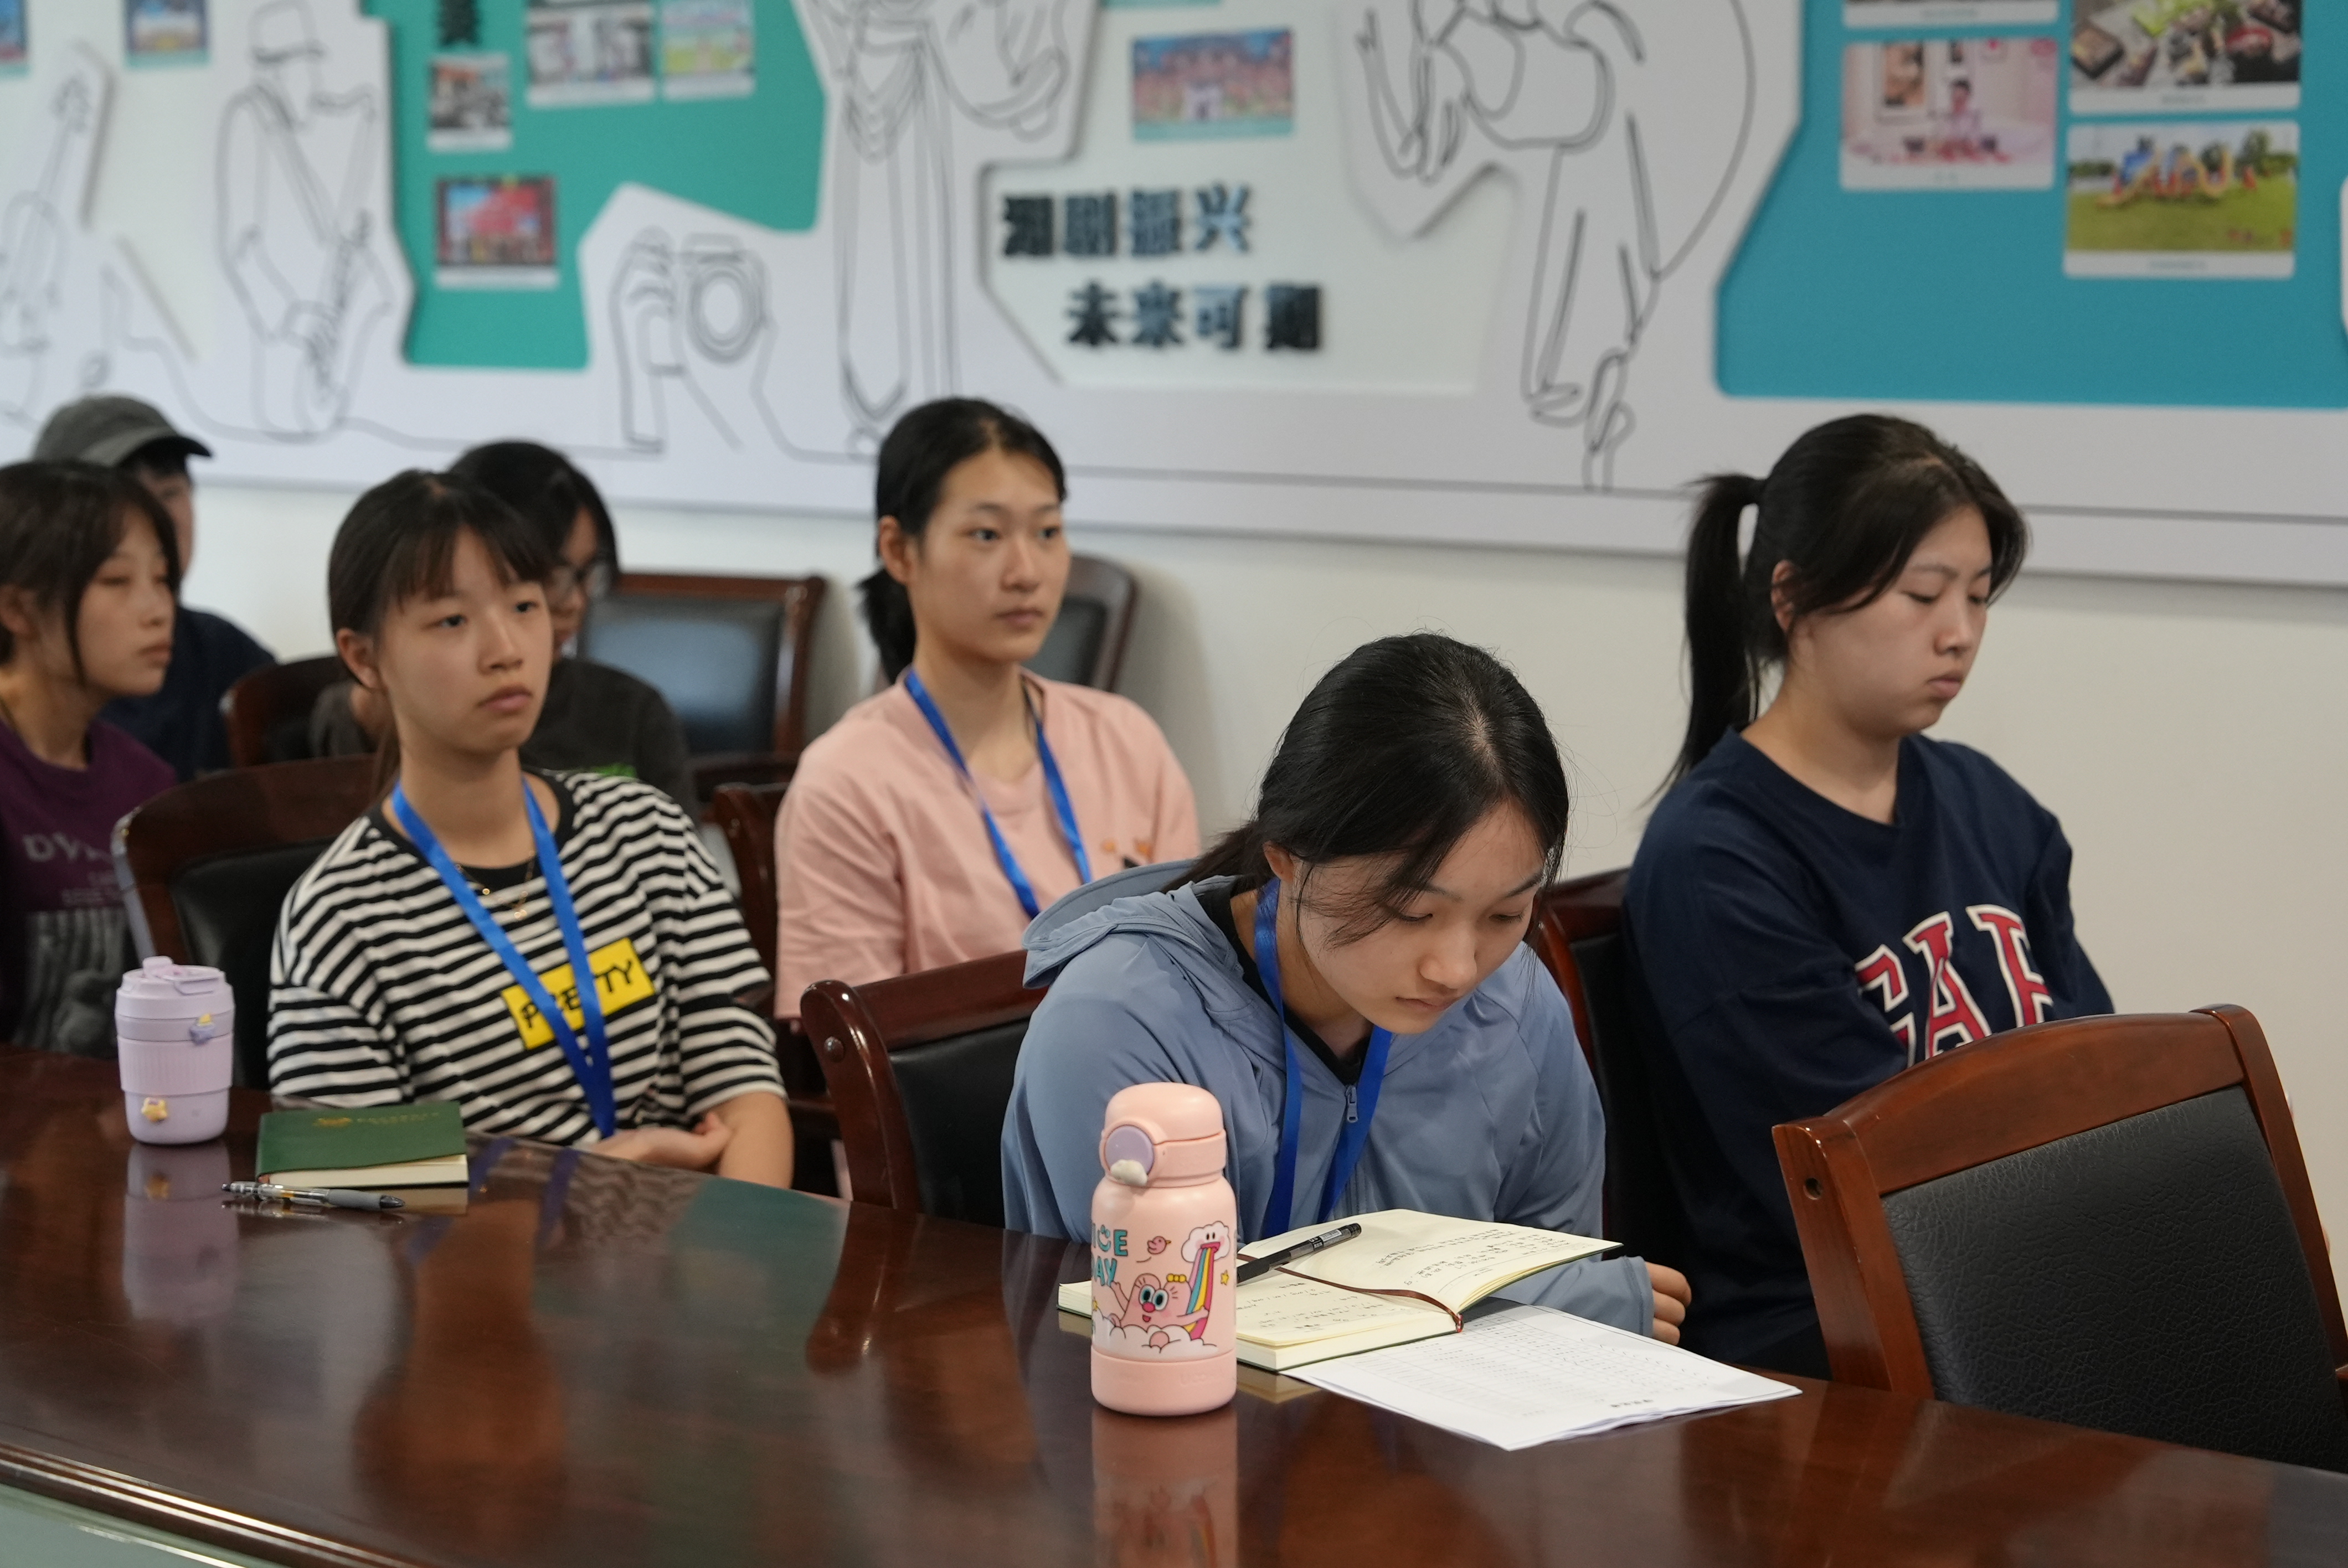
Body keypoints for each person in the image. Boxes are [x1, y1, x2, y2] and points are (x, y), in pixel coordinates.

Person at [1001, 633, 1690, 1341]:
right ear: (1287, 860)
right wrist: (1536, 1304)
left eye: (1504, 914)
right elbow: (1158, 1327)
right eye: (1411, 913)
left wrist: (1563, 1308)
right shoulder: (1118, 1023)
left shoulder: (1515, 1002)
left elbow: (1557, 1269)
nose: (1458, 969)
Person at [1625, 414, 2110, 1376]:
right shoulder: (1719, 857)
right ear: (1793, 597)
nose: (1959, 632)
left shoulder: (1990, 805)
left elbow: (2094, 1076)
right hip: (1835, 1322)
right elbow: (1860, 1175)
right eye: (1923, 594)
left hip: (2014, 1271)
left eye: (1978, 596)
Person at [267, 471, 791, 1184]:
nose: (505, 648)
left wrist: (735, 1245)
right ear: (365, 658)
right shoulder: (341, 920)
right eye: (452, 621)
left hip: (698, 1237)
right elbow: (354, 1202)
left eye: (523, 605)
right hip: (483, 1262)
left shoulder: (646, 834)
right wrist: (581, 1182)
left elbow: (746, 1095)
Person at [771, 398, 1198, 1017]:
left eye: (1047, 532)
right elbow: (848, 1044)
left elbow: (1192, 967)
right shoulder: (847, 780)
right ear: (899, 551)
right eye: (987, 535)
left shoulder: (1124, 739)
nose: (1026, 572)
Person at [310, 441, 694, 809]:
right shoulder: (368, 720)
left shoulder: (632, 718)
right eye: (552, 577)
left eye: (523, 605)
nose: (574, 602)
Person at [0, 462, 179, 1051]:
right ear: (17, 609)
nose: (158, 609)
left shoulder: (147, 783)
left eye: (162, 579)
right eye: (116, 581)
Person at [33, 395, 276, 780]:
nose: (158, 519)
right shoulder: (30, 685)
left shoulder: (224, 653)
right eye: (124, 501)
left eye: (171, 493)